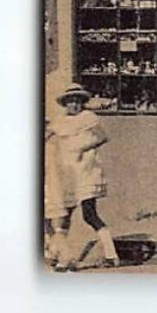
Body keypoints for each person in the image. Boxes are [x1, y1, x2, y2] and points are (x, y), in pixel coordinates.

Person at [45, 84, 118, 271]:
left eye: (78, 101)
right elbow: (47, 134)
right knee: (64, 214)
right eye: (71, 101)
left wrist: (81, 147)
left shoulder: (89, 118)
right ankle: (57, 254)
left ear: (83, 103)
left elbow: (102, 137)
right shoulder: (61, 121)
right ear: (65, 104)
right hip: (67, 172)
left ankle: (111, 254)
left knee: (89, 214)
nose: (74, 105)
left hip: (86, 170)